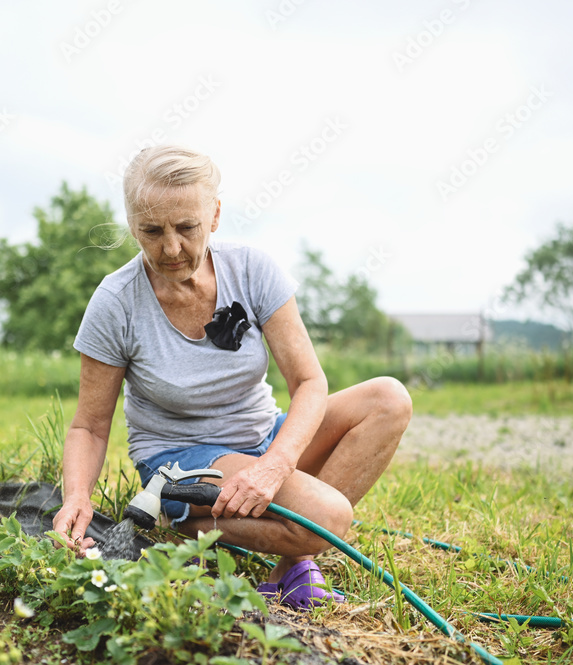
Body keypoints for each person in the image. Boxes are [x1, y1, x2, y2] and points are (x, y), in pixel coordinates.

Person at [52, 144, 412, 609]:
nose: (171, 247)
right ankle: (177, 527)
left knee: (388, 398)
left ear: (215, 215)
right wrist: (76, 496)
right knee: (328, 516)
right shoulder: (116, 302)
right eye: (151, 230)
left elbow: (309, 383)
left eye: (186, 227)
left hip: (262, 437)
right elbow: (89, 425)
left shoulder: (252, 269)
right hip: (182, 462)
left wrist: (276, 464)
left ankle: (290, 562)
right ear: (131, 225)